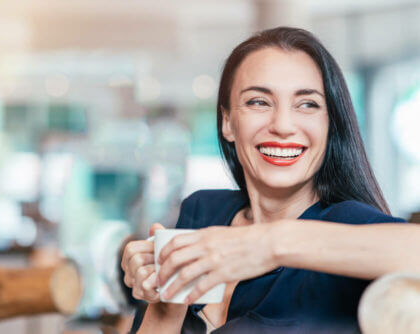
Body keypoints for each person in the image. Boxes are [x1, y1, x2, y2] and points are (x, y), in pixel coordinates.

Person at [121, 27, 418, 333]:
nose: (283, 126)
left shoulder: (348, 223)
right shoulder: (202, 211)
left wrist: (270, 243)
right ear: (227, 122)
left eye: (307, 104)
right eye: (258, 102)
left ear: (330, 125)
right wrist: (165, 303)